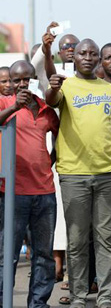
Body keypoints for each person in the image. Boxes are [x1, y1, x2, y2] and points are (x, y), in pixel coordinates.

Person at [44, 37, 111, 308]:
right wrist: (51, 85)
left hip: (107, 174)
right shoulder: (64, 85)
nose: (87, 57)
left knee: (107, 239)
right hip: (73, 175)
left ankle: (106, 297)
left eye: (92, 54)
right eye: (82, 52)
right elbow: (51, 100)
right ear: (75, 57)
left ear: (98, 59)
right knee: (77, 240)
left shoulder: (110, 90)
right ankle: (79, 296)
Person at [0, 61, 59, 307]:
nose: (22, 83)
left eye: (27, 78)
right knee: (8, 255)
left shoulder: (47, 110)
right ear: (10, 83)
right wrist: (15, 106)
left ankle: (38, 303)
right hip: (12, 193)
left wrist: (49, 161)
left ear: (35, 78)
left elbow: (59, 135)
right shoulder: (5, 103)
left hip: (45, 193)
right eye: (17, 80)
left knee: (44, 255)